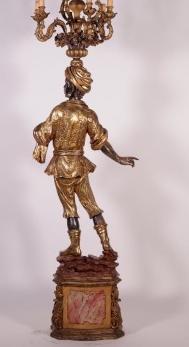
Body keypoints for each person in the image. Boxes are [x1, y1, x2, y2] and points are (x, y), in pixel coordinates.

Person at [32, 60, 138, 256]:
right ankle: (106, 245)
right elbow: (101, 141)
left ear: (72, 85)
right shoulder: (88, 114)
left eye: (66, 81)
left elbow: (43, 133)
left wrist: (38, 131)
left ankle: (75, 246)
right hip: (80, 166)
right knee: (91, 205)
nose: (64, 85)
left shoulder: (59, 111)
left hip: (62, 167)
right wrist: (118, 158)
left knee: (70, 209)